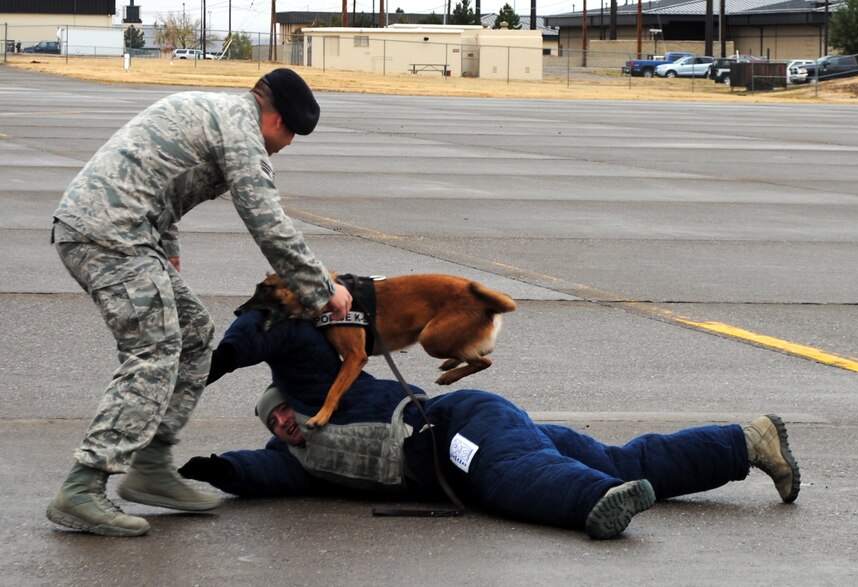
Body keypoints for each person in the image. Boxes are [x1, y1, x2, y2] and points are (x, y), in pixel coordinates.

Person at [178, 307, 801, 540]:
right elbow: (265, 472)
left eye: (284, 408)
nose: (285, 422)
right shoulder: (299, 459)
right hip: (477, 431)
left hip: (457, 426)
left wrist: (228, 354)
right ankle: (746, 442)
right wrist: (217, 470)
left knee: (507, 473)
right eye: (275, 421)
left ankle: (597, 504)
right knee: (623, 460)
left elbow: (279, 326)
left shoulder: (327, 390)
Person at [47, 68, 353, 537]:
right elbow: (267, 221)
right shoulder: (241, 131)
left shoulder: (213, 110)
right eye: (289, 131)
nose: (287, 143)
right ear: (273, 117)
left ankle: (151, 463)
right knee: (153, 349)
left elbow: (157, 176)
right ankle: (83, 487)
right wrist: (322, 289)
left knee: (193, 332)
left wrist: (167, 243)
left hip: (124, 232)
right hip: (107, 234)